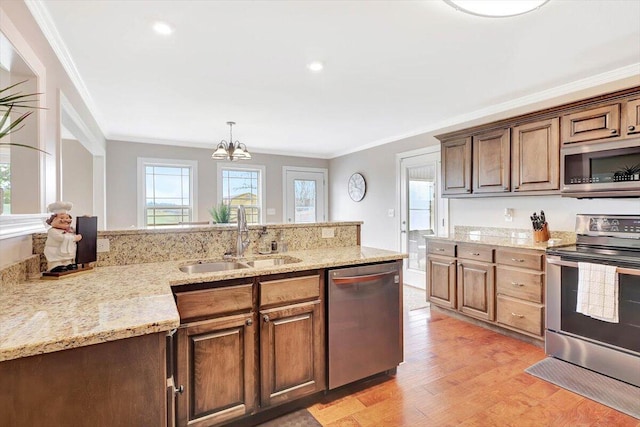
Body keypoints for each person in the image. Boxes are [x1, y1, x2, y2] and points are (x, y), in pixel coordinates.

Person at [44, 201, 82, 272]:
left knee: (67, 261)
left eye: (67, 218)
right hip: (55, 252)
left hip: (66, 254)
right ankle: (55, 265)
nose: (65, 220)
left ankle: (68, 264)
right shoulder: (52, 231)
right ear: (53, 220)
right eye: (61, 218)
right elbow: (60, 238)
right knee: (56, 261)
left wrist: (85, 219)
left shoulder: (70, 230)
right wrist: (74, 238)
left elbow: (80, 229)